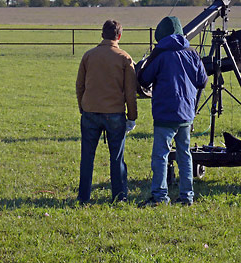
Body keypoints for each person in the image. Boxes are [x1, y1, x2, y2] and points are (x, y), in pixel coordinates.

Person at [138, 16, 207, 206]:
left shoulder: (160, 54)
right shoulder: (192, 53)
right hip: (186, 113)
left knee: (161, 155)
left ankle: (160, 197)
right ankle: (187, 196)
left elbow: (144, 79)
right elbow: (203, 81)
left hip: (165, 113)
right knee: (185, 155)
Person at [76, 20, 138, 203]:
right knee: (116, 158)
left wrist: (83, 106)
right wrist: (132, 117)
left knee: (87, 158)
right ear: (119, 36)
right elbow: (130, 92)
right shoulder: (125, 58)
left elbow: (80, 85)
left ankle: (83, 197)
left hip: (90, 112)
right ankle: (119, 197)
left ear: (102, 34)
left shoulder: (88, 56)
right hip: (115, 114)